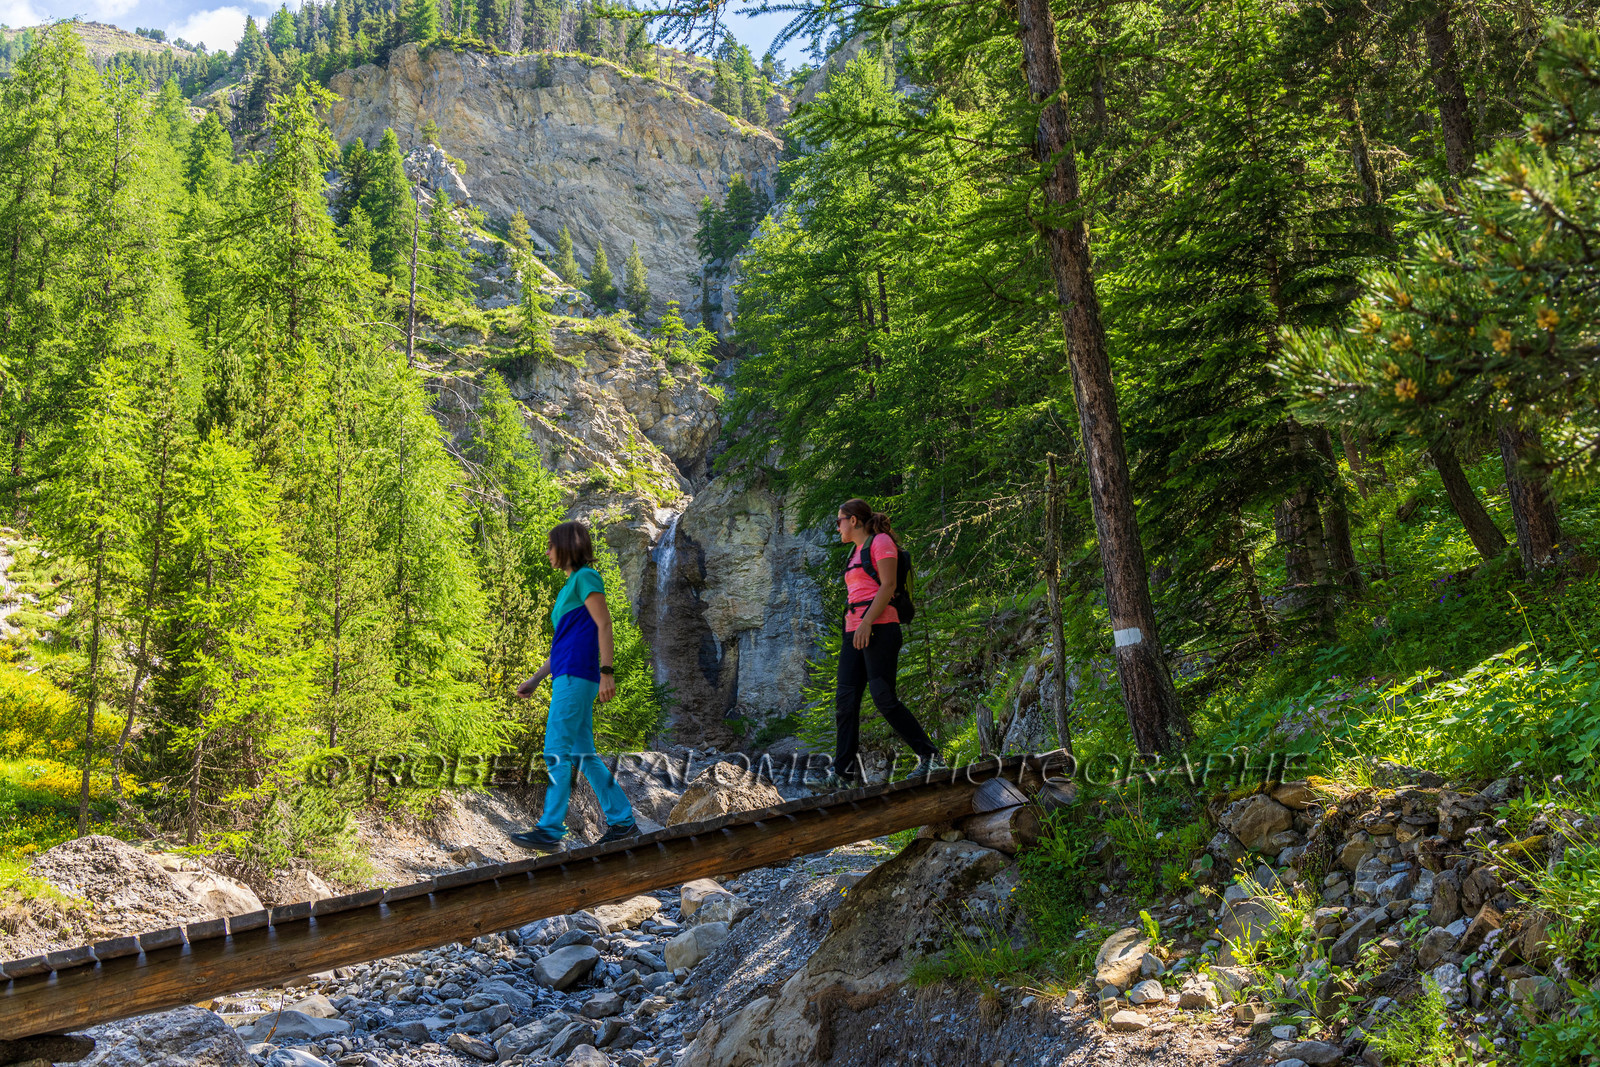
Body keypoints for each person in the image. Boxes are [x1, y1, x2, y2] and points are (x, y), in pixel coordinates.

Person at [509, 520, 638, 852]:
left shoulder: (586, 577)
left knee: (556, 750)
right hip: (566, 674)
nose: (548, 551)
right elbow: (561, 647)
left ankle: (550, 828)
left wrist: (607, 672)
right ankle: (623, 820)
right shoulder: (567, 589)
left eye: (551, 545)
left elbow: (604, 623)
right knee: (583, 754)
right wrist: (536, 679)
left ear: (567, 546)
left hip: (578, 676)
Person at [820, 499, 943, 789]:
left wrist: (865, 623)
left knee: (883, 697)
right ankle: (843, 775)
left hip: (880, 628)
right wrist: (856, 627)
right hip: (854, 633)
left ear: (853, 521)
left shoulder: (881, 542)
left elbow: (888, 586)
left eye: (839, 521)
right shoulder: (854, 552)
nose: (837, 527)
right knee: (845, 703)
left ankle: (931, 756)